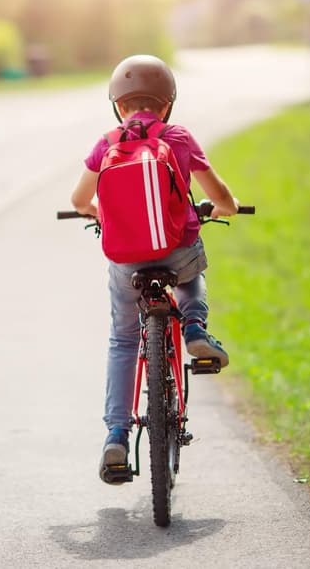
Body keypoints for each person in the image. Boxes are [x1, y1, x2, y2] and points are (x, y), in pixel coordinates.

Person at [69, 55, 240, 483]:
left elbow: (78, 199)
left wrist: (99, 215)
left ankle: (116, 435)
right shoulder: (178, 136)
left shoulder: (108, 142)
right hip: (176, 252)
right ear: (167, 104)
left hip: (126, 262)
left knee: (124, 340)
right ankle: (195, 328)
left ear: (118, 105)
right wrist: (227, 207)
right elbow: (216, 191)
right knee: (191, 272)